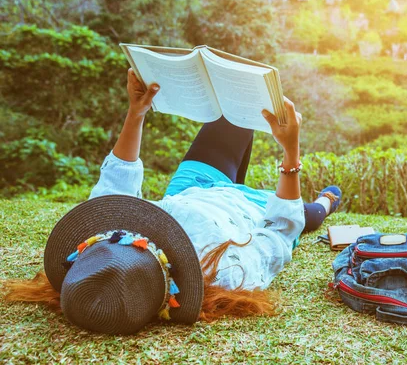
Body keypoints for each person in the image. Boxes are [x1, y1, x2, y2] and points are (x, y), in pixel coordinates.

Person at [4, 69, 342, 335]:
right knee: (307, 215)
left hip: (191, 188)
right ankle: (327, 200)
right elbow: (280, 228)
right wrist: (290, 151)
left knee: (232, 114)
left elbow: (115, 182)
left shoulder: (107, 252)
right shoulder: (228, 273)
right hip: (250, 208)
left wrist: (136, 112)